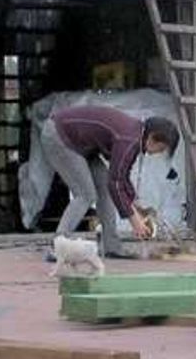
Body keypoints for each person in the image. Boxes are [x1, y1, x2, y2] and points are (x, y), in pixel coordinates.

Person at [40, 105, 180, 258]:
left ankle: (111, 247)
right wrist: (134, 220)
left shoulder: (134, 135)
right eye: (162, 148)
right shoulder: (128, 139)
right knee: (86, 195)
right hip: (59, 136)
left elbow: (122, 176)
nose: (159, 153)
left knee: (104, 190)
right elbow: (115, 182)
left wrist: (135, 205)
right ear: (152, 138)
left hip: (82, 144)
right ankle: (58, 246)